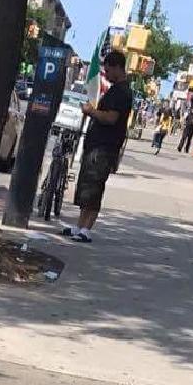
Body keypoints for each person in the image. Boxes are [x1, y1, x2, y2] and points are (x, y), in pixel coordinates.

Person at [63, 50, 133, 244]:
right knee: (86, 187)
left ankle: (86, 229)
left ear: (118, 67)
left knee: (94, 187)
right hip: (96, 146)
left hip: (104, 148)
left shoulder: (121, 92)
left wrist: (92, 112)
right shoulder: (114, 90)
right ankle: (79, 225)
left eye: (109, 70)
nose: (106, 74)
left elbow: (111, 118)